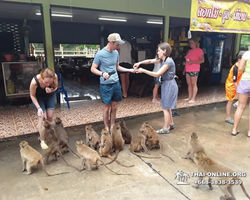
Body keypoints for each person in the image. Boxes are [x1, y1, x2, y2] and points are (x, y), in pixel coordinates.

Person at [91, 33, 135, 133]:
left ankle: (112, 125)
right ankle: (106, 126)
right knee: (107, 106)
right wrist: (102, 73)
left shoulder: (115, 53)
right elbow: (93, 68)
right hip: (106, 84)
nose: (119, 46)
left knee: (115, 106)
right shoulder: (100, 54)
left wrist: (130, 70)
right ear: (111, 43)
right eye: (117, 44)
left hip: (116, 82)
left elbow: (117, 67)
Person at [133, 42, 178, 134]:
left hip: (169, 85)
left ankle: (166, 128)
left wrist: (143, 70)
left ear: (164, 51)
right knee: (167, 106)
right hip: (167, 84)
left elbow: (157, 74)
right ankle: (171, 124)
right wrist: (139, 63)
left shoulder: (168, 61)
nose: (157, 53)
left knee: (165, 107)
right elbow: (150, 61)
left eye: (159, 51)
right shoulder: (163, 60)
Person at [29, 68, 58, 149]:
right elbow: (32, 95)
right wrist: (38, 108)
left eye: (50, 82)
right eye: (46, 82)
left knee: (50, 117)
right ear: (41, 78)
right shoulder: (34, 82)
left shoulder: (54, 76)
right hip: (38, 98)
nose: (48, 84)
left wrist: (51, 90)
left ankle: (50, 135)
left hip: (49, 97)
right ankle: (42, 139)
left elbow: (55, 87)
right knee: (42, 117)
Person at [231, 50, 250, 137]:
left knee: (240, 107)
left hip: (245, 81)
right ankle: (249, 132)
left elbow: (240, 68)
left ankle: (234, 130)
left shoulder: (246, 54)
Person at [183, 37, 204, 103]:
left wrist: (192, 62)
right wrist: (184, 69)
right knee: (189, 84)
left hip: (194, 69)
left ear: (196, 43)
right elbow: (187, 61)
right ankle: (189, 97)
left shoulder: (199, 50)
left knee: (193, 84)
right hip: (188, 69)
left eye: (192, 43)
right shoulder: (190, 51)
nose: (190, 44)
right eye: (190, 43)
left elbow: (202, 60)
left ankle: (193, 98)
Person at [225, 52, 243, 125]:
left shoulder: (242, 67)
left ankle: (237, 103)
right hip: (231, 85)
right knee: (230, 101)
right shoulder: (235, 68)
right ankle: (228, 117)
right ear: (239, 60)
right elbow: (234, 81)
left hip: (236, 84)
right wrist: (238, 91)